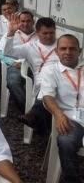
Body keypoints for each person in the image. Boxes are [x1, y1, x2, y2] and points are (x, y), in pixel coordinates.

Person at [2, 16, 58, 131]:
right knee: (47, 86)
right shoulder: (30, 47)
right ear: (37, 33)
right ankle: (39, 120)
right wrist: (11, 34)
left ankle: (34, 115)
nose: (49, 36)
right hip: (41, 82)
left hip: (62, 80)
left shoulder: (61, 46)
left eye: (52, 33)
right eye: (45, 33)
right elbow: (8, 52)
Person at [42, 34, 84, 183]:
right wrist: (59, 114)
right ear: (56, 52)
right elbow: (47, 96)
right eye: (63, 48)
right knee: (66, 141)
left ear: (80, 51)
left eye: (72, 48)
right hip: (71, 119)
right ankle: (72, 179)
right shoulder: (50, 70)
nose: (68, 52)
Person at [0, 11, 36, 110]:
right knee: (13, 82)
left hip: (34, 67)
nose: (25, 24)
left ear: (33, 22)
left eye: (28, 21)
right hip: (16, 65)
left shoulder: (39, 36)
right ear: (18, 21)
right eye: (22, 21)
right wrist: (12, 62)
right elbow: (0, 53)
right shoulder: (11, 33)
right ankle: (28, 110)